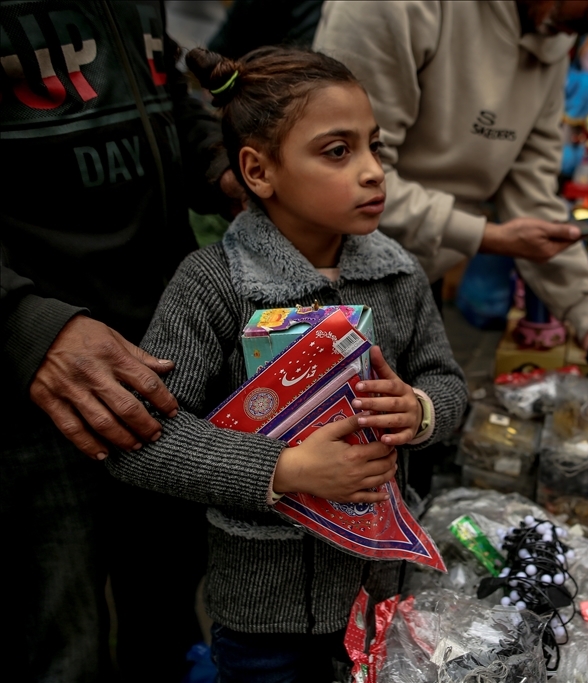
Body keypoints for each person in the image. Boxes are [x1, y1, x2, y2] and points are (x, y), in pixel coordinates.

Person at [102, 46, 468, 681]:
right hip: (262, 619)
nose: (373, 172)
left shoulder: (399, 276)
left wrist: (422, 409)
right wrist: (287, 468)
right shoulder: (213, 286)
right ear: (258, 170)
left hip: (381, 597)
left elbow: (446, 380)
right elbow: (144, 440)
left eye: (374, 147)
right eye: (337, 151)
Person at [0, 2, 239, 680]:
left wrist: (226, 168)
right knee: (59, 644)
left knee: (165, 617)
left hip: (158, 362)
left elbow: (157, 99)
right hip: (33, 386)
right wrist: (24, 324)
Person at [313, 0, 588, 375]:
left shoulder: (551, 31)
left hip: (415, 279)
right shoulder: (392, 8)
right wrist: (483, 235)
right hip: (321, 288)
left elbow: (532, 190)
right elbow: (345, 176)